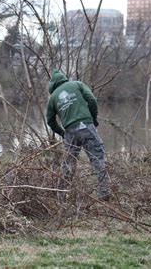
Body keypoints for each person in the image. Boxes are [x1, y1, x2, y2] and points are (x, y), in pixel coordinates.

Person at [46, 69, 109, 201]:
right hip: (86, 126)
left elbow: (50, 121)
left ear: (52, 85)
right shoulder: (77, 84)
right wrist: (92, 118)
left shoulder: (52, 98)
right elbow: (91, 99)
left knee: (68, 163)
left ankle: (61, 196)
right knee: (97, 157)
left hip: (70, 132)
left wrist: (62, 133)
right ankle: (104, 192)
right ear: (63, 79)